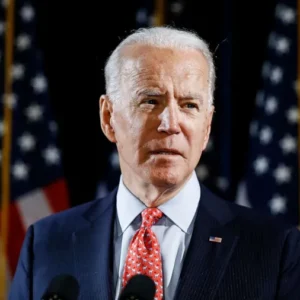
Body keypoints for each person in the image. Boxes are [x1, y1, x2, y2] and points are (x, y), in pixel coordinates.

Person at [9, 26, 300, 300]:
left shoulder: (274, 249)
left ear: (207, 126)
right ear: (108, 118)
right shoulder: (46, 243)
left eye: (189, 105)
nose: (171, 124)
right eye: (150, 101)